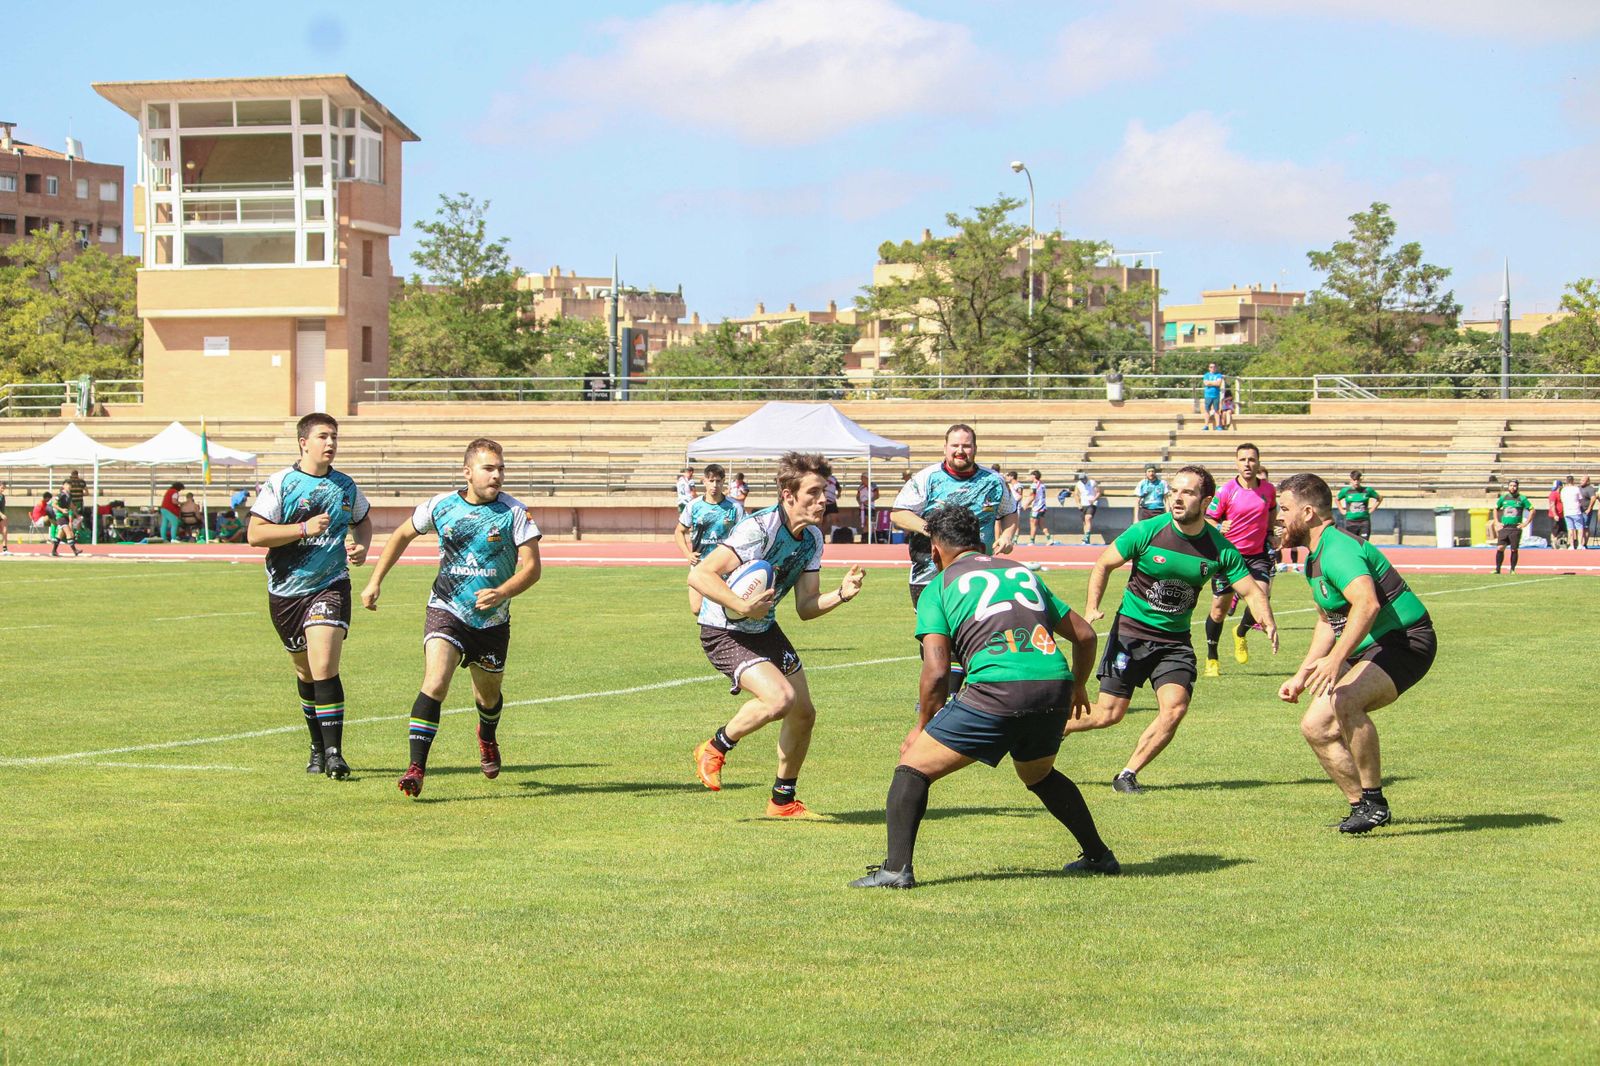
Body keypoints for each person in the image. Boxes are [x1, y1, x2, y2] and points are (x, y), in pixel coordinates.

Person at [849, 505, 1114, 889]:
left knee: (912, 768)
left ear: (935, 550)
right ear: (981, 541)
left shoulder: (938, 587)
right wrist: (1077, 684)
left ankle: (895, 869)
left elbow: (937, 670)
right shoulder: (1021, 571)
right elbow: (1086, 635)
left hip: (998, 690)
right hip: (1053, 685)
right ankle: (1098, 856)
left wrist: (922, 727)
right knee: (1038, 774)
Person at [1062, 466, 1278, 793]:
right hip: (1131, 635)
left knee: (1175, 708)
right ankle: (1055, 727)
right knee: (1109, 714)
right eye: (1174, 491)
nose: (1177, 498)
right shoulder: (1147, 531)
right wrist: (1092, 606)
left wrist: (1267, 619)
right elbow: (1104, 563)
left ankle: (1127, 774)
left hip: (1174, 643)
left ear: (1206, 500)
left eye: (1187, 492)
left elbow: (1249, 590)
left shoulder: (1219, 548)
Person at [362, 439, 542, 798]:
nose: (497, 475)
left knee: (488, 698)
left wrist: (502, 592)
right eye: (489, 468)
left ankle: (486, 736)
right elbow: (401, 534)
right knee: (436, 681)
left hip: (492, 621)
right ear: (467, 472)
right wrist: (375, 580)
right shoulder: (440, 507)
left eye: (501, 468)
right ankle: (416, 769)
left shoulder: (515, 512)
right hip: (446, 609)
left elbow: (533, 568)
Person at [689, 452, 866, 817]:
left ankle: (782, 801)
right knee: (780, 698)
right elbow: (700, 575)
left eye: (825, 492)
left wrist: (841, 595)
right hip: (724, 630)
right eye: (813, 493)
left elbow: (806, 606)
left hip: (764, 627)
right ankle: (715, 747)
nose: (823, 500)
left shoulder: (813, 539)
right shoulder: (759, 529)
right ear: (788, 494)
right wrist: (740, 604)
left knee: (803, 713)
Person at [1275, 473, 1435, 833]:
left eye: (1284, 509)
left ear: (1309, 513)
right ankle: (1362, 806)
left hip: (1405, 641)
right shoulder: (1314, 558)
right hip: (1367, 645)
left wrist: (1335, 661)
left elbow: (1367, 604)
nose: (1279, 518)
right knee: (1315, 727)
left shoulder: (1338, 549)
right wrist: (1301, 675)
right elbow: (1327, 622)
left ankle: (1375, 802)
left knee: (1346, 700)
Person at [247, 413, 372, 780]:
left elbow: (363, 519)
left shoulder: (346, 486)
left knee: (324, 667)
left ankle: (335, 754)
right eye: (323, 436)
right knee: (304, 671)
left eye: (334, 436)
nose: (330, 443)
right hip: (285, 591)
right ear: (304, 442)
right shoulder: (281, 483)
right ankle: (317, 747)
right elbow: (255, 534)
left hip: (330, 585)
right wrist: (302, 528)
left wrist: (361, 545)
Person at [890, 424, 1018, 695]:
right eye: (955, 445)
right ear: (945, 448)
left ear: (975, 448)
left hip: (977, 571)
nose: (961, 451)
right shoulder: (927, 478)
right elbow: (899, 513)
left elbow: (1009, 512)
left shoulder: (993, 481)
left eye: (967, 445)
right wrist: (933, 531)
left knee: (969, 630)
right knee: (934, 633)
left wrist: (1006, 535)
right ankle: (940, 694)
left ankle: (956, 696)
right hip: (929, 569)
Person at [1202, 443, 1277, 677]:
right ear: (1236, 463)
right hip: (1228, 556)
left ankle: (1241, 632)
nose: (1247, 464)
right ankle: (1212, 657)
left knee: (1260, 597)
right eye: (1243, 459)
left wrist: (1272, 533)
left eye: (1252, 459)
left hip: (1257, 556)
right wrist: (1218, 525)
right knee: (1218, 611)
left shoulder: (1268, 490)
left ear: (1258, 462)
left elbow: (1272, 511)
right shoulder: (1226, 491)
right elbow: (1207, 519)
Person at [674, 463, 744, 614]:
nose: (715, 485)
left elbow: (744, 534)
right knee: (696, 609)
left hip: (725, 565)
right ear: (704, 481)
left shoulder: (735, 507)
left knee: (726, 609)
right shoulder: (693, 506)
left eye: (718, 481)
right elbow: (679, 531)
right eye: (711, 481)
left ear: (723, 481)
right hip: (700, 563)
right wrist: (687, 554)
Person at [1491, 480, 1533, 574]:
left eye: (1514, 486)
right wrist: (1497, 522)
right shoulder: (1503, 498)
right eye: (1510, 485)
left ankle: (1512, 569)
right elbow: (1495, 509)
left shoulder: (1522, 498)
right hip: (1504, 527)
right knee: (1500, 547)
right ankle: (1498, 569)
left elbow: (1532, 510)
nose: (1512, 487)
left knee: (1514, 549)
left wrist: (1525, 523)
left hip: (1515, 528)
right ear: (1508, 487)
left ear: (1517, 487)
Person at [1336, 472, 1382, 540]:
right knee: (1352, 543)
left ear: (1360, 480)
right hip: (1350, 521)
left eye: (1358, 480)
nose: (1356, 482)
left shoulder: (1367, 490)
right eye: (1354, 480)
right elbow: (1337, 499)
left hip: (1364, 522)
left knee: (1364, 542)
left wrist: (1372, 509)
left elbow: (1379, 498)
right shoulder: (1346, 491)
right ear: (1351, 480)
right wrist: (1342, 510)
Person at [49, 491, 82, 557]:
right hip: (60, 517)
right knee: (68, 532)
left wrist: (77, 515)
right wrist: (62, 510)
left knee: (60, 534)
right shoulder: (60, 495)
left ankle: (54, 551)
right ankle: (75, 550)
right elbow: (53, 504)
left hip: (64, 517)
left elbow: (72, 507)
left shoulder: (69, 498)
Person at [1072, 471, 1101, 545]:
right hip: (1083, 504)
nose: (1083, 480)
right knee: (1085, 522)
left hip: (1091, 504)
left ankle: (1087, 537)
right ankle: (1086, 539)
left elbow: (1098, 492)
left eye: (1084, 479)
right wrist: (1078, 503)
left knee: (1088, 518)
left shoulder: (1092, 482)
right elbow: (1076, 494)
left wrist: (1094, 499)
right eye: (1081, 479)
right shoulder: (1078, 484)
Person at [1559, 475, 1584, 553]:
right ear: (1573, 481)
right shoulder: (1576, 489)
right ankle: (1580, 544)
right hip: (1576, 511)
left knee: (1570, 529)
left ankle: (1571, 545)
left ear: (1566, 481)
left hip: (1567, 511)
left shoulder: (1563, 490)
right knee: (1580, 528)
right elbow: (1580, 499)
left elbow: (1562, 500)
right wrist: (1579, 505)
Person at [1026, 470, 1048, 545]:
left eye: (1031, 475)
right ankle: (1049, 538)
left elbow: (1033, 495)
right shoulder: (1042, 484)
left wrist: (1026, 504)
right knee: (1042, 525)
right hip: (1043, 506)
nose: (1030, 477)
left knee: (1033, 524)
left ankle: (1032, 541)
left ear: (1034, 476)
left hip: (1037, 507)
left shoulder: (1034, 485)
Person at [1201, 363, 1225, 431]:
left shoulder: (1218, 375)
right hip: (1208, 395)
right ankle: (1206, 425)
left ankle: (1218, 426)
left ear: (1216, 368)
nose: (1212, 368)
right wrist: (1214, 382)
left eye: (1214, 367)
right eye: (1211, 367)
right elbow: (1206, 383)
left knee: (1216, 410)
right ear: (1209, 368)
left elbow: (1218, 383)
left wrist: (1210, 383)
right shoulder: (1206, 375)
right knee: (1207, 410)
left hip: (1216, 395)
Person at [855, 472, 877, 536]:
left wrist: (869, 501)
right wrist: (859, 502)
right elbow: (857, 496)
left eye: (862, 478)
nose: (861, 479)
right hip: (862, 507)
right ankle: (865, 536)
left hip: (870, 506)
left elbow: (877, 495)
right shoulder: (861, 486)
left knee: (868, 521)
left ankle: (870, 536)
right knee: (863, 521)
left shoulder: (873, 485)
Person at [1546, 479, 1566, 548]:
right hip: (1555, 516)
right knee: (1555, 531)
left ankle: (1561, 545)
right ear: (1560, 486)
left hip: (1561, 516)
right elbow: (1552, 505)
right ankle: (1554, 545)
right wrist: (1555, 515)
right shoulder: (1553, 494)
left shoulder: (1560, 494)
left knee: (1562, 531)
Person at [822, 471, 842, 538]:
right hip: (823, 502)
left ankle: (834, 537)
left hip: (832, 502)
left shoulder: (833, 479)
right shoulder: (821, 478)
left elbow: (839, 488)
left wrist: (839, 494)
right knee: (823, 521)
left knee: (835, 519)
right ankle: (822, 537)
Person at [1580, 475, 1596, 548]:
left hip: (1586, 511)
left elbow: (1593, 498)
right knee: (1579, 528)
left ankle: (1584, 544)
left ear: (1587, 481)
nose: (1581, 482)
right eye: (1581, 480)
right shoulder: (1579, 488)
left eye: (1583, 480)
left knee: (1585, 527)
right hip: (1578, 511)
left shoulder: (1590, 489)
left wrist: (1589, 508)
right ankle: (1580, 543)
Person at [0, 481, 10, 554]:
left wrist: (4, 515)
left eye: (4, 488)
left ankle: (5, 549)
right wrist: (1, 515)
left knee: (5, 531)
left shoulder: (3, 496)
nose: (3, 489)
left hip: (1, 516)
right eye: (2, 488)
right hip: (1, 515)